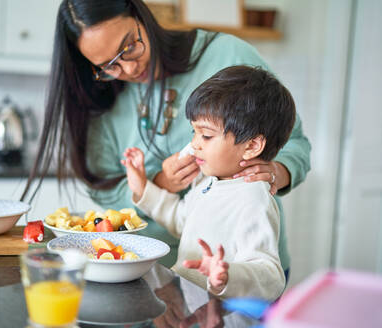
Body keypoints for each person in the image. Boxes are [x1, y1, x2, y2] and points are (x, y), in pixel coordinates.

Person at [21, 0, 311, 272]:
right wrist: (159, 184)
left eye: (130, 46)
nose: (130, 68)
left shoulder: (227, 55)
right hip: (148, 267)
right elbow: (104, 188)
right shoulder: (97, 99)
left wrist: (275, 171)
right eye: (110, 66)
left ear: (141, 17)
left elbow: (295, 143)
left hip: (244, 269)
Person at [121, 65, 294, 300]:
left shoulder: (253, 198)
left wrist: (227, 275)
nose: (194, 144)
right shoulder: (207, 181)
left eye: (206, 135)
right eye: (194, 133)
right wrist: (142, 187)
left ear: (252, 146)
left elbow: (270, 276)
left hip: (221, 315)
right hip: (189, 305)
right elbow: (181, 220)